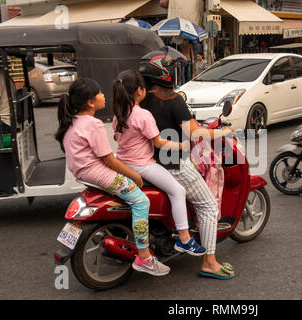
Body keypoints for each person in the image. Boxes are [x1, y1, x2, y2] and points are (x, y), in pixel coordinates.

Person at [55, 78, 170, 276]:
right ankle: (145, 257)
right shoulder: (93, 123)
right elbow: (108, 160)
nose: (104, 96)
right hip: (98, 172)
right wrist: (133, 174)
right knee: (141, 201)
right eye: (100, 93)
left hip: (83, 172)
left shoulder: (73, 120)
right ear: (90, 102)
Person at [139, 50, 236, 280]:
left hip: (147, 163)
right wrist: (223, 131)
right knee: (209, 206)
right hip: (173, 164)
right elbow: (194, 133)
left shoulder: (140, 100)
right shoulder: (172, 100)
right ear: (164, 72)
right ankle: (210, 263)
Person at [112, 70, 206, 256]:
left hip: (123, 162)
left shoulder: (119, 114)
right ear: (140, 91)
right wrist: (182, 144)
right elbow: (159, 142)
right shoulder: (143, 115)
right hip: (143, 165)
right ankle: (185, 240)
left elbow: (118, 139)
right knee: (178, 191)